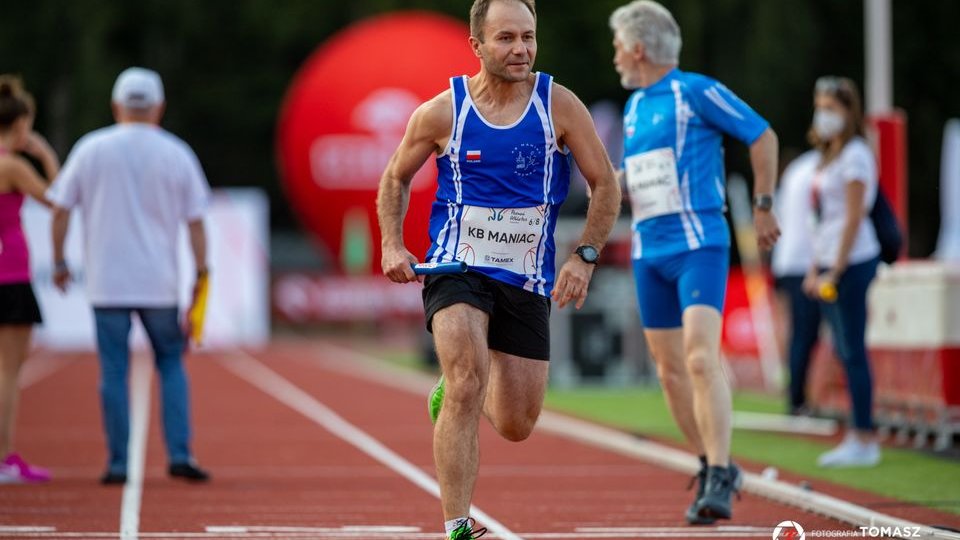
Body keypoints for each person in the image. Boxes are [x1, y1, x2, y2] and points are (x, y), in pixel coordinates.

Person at [377, 0, 621, 537]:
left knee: (516, 423)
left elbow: (606, 183)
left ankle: (450, 390)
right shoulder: (444, 111)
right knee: (468, 378)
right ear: (477, 45)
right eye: (507, 38)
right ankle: (458, 525)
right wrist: (392, 244)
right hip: (456, 266)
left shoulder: (558, 105)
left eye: (529, 37)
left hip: (526, 277)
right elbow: (395, 177)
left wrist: (584, 256)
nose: (521, 49)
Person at [608, 0, 780, 525]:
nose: (614, 56)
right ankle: (710, 464)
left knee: (702, 358)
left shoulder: (695, 91)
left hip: (698, 244)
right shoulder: (635, 107)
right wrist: (597, 192)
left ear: (638, 48)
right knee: (669, 370)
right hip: (648, 251)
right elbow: (633, 177)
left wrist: (763, 205)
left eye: (617, 46)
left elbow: (762, 134)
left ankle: (723, 471)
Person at [48, 67, 211, 485]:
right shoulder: (177, 152)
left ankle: (119, 463)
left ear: (117, 105)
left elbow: (61, 208)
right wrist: (201, 276)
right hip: (160, 283)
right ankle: (179, 453)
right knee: (171, 365)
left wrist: (60, 261)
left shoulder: (91, 148)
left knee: (113, 372)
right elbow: (195, 223)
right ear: (159, 107)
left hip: (107, 282)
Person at [802, 76, 881, 468]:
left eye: (831, 108)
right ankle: (857, 434)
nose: (823, 115)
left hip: (853, 262)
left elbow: (852, 217)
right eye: (820, 107)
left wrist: (835, 269)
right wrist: (816, 266)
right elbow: (823, 220)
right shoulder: (827, 156)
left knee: (852, 350)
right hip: (831, 261)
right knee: (842, 348)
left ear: (849, 113)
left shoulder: (855, 155)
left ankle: (864, 437)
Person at [0, 75, 59, 484]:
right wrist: (48, 156)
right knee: (8, 371)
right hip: (10, 273)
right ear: (21, 126)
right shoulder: (13, 165)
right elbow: (58, 198)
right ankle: (4, 457)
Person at [771, 149, 822, 416]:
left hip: (787, 261)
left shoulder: (796, 171)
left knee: (800, 333)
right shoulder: (819, 168)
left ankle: (799, 396)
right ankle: (798, 398)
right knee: (805, 333)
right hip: (806, 263)